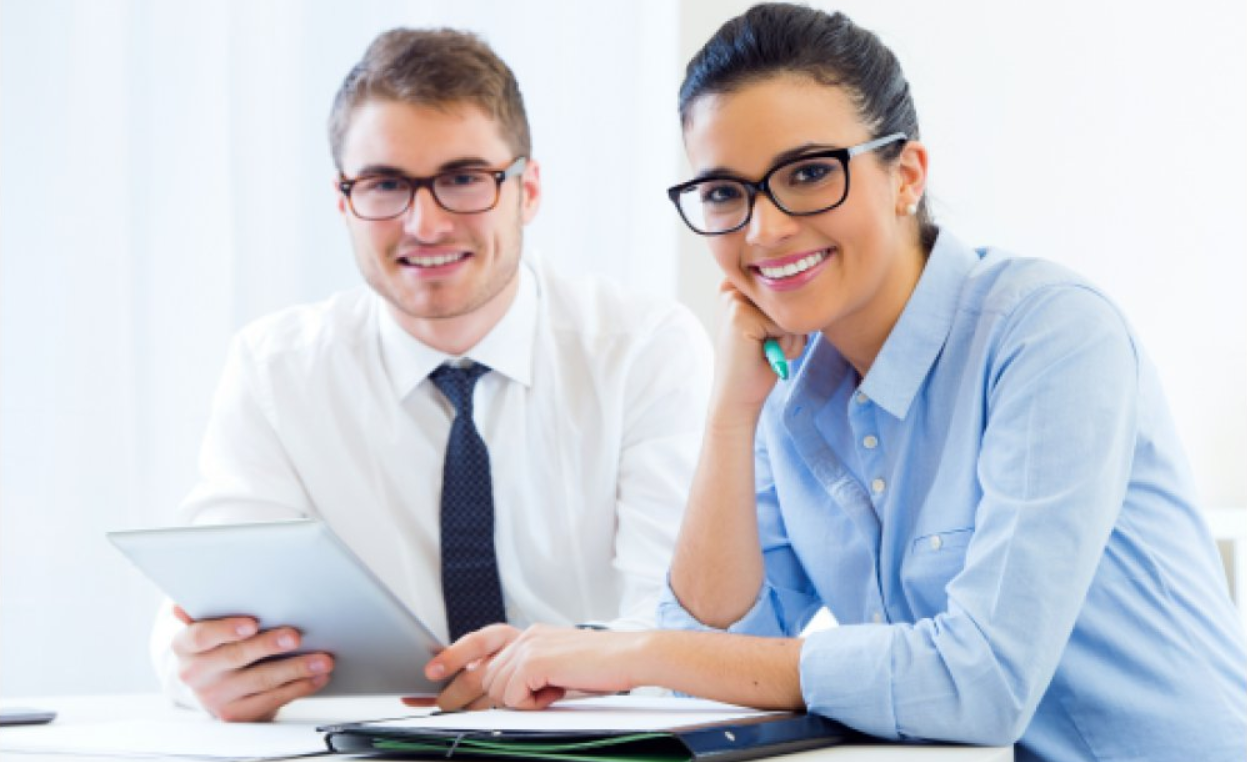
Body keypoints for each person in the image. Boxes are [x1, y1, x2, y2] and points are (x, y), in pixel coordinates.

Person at [438, 4, 1247, 760]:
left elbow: (981, 681)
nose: (764, 228)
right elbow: (712, 655)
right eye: (724, 191)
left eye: (807, 173)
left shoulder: (1050, 334)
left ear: (906, 176)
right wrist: (732, 412)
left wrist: (630, 652)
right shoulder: (789, 394)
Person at [150, 27, 712, 722]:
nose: (425, 222)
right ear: (342, 201)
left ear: (527, 190)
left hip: (583, 739)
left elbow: (679, 624)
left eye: (462, 179)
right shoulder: (275, 369)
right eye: (385, 184)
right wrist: (199, 667)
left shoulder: (643, 350)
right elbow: (208, 600)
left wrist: (564, 667)